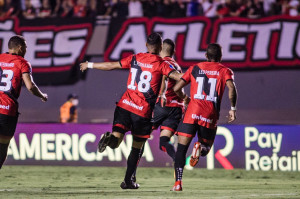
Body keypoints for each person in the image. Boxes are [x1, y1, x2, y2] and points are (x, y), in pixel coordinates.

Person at [80, 32, 183, 189]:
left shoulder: (136, 58)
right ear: (160, 47)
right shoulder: (162, 64)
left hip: (124, 106)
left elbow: (112, 65)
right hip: (142, 112)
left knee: (116, 141)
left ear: (146, 46)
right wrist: (194, 77)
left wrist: (90, 65)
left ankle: (109, 139)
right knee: (137, 147)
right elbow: (176, 76)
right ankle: (128, 181)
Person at [171, 43, 237, 191]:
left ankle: (178, 184)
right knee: (206, 150)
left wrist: (186, 99)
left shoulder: (195, 68)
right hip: (210, 114)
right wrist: (233, 109)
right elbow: (232, 88)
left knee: (181, 150)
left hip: (191, 113)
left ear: (206, 56)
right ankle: (199, 148)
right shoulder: (224, 70)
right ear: (220, 57)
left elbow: (176, 88)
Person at [0, 35, 48, 169]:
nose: (26, 50)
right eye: (26, 47)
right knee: (2, 146)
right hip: (6, 110)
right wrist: (42, 95)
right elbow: (30, 86)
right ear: (20, 48)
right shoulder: (22, 62)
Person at [152, 38, 188, 162]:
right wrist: (185, 99)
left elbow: (164, 77)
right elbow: (179, 89)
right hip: (176, 108)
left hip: (162, 105)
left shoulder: (162, 63)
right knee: (164, 142)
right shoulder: (177, 67)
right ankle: (177, 159)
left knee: (139, 136)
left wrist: (161, 93)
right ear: (174, 51)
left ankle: (131, 175)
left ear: (160, 49)